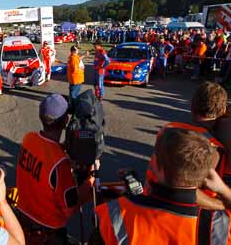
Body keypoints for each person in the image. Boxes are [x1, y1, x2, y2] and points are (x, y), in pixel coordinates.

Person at [95, 128, 231, 245]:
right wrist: (222, 189)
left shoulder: (114, 214)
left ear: (156, 165)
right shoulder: (220, 227)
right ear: (206, 174)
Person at [16, 94, 94, 244]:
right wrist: (88, 184)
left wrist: (62, 148)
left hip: (23, 218)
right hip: (48, 230)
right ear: (65, 121)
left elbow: (45, 152)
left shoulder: (28, 139)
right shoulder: (60, 163)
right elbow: (70, 208)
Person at [145, 82, 229, 210]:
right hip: (182, 217)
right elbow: (187, 193)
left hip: (149, 198)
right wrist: (223, 205)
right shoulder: (213, 149)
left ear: (192, 106)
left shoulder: (167, 129)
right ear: (223, 110)